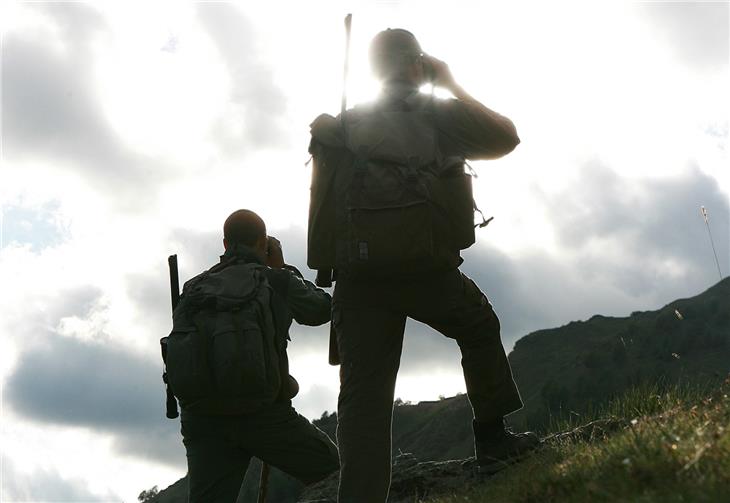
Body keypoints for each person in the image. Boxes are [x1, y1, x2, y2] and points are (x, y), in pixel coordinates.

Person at [310, 29, 539, 502]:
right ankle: (493, 442)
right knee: (478, 326)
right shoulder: (440, 115)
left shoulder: (343, 125)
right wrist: (451, 83)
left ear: (373, 70)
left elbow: (322, 209)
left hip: (360, 280)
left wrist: (330, 272)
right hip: (427, 270)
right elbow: (507, 138)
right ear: (417, 64)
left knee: (364, 399)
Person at [178, 209, 339, 502]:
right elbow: (322, 309)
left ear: (225, 244)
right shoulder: (274, 280)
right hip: (265, 415)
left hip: (203, 418)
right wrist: (282, 268)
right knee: (335, 470)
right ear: (263, 242)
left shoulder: (193, 289)